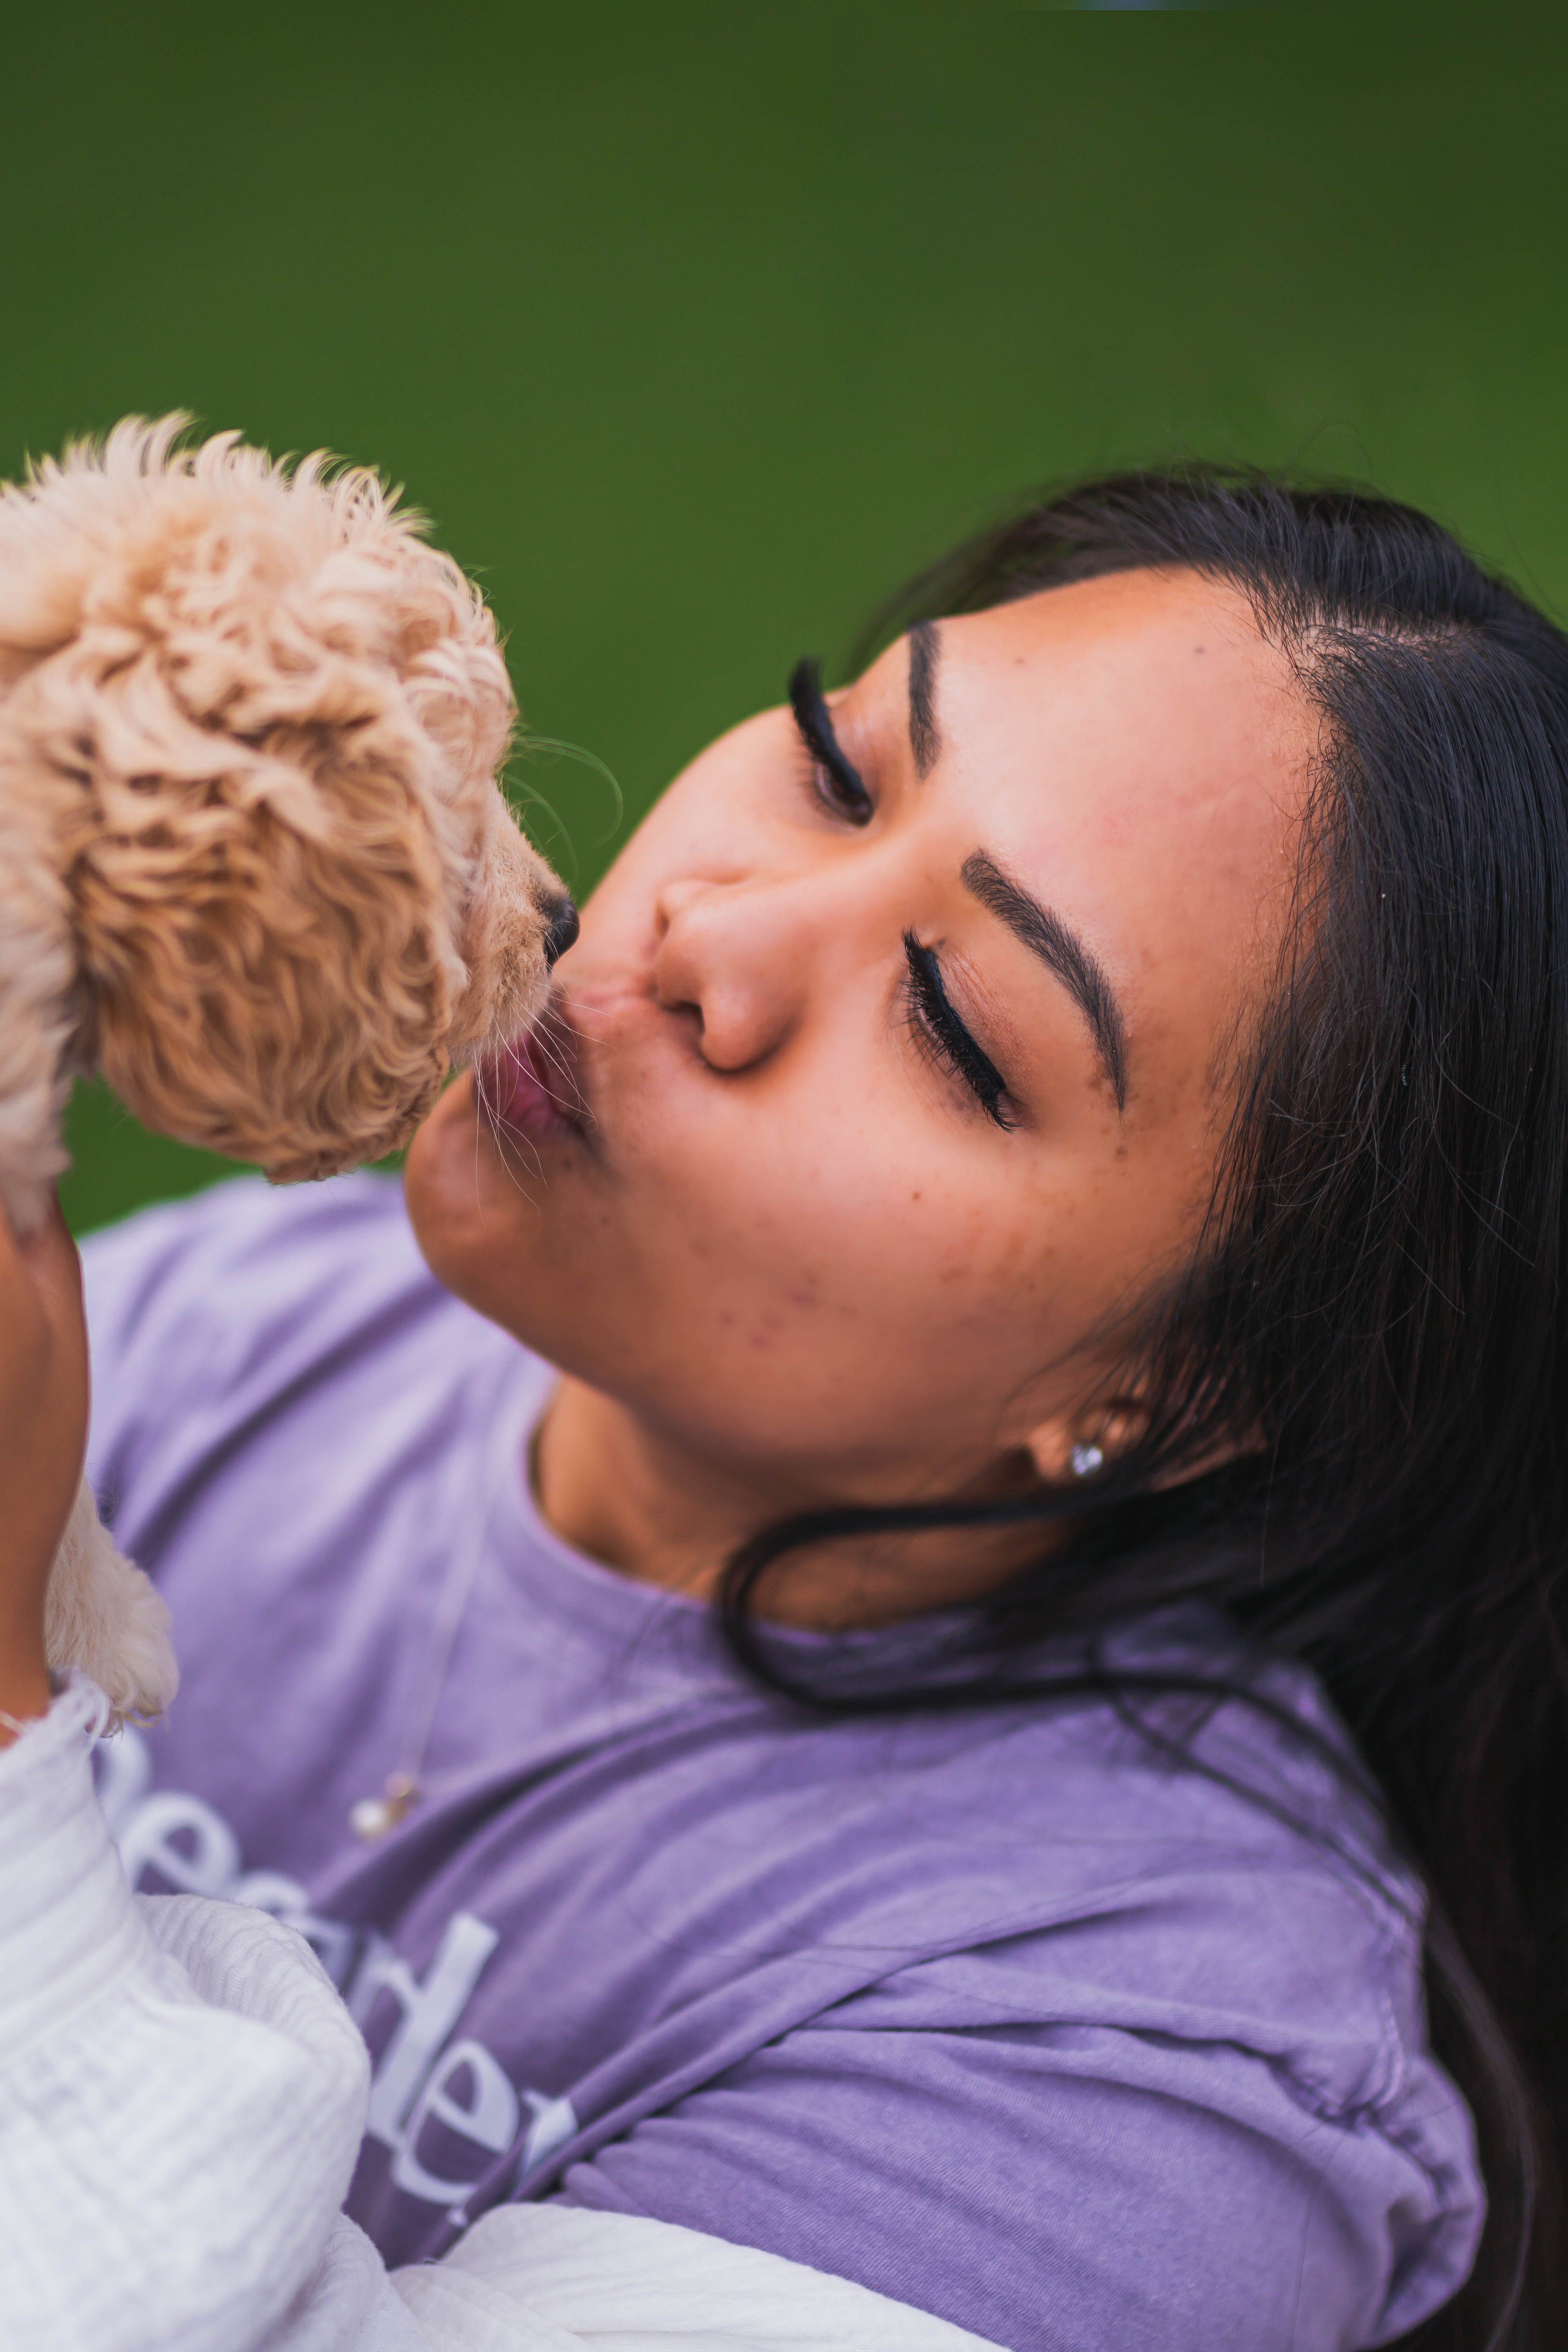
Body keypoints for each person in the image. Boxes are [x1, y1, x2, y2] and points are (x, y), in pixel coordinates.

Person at [4, 471, 1565, 2350]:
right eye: (838, 767)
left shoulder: (1145, 2073)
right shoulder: (289, 1317)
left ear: (1175, 1399)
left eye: (960, 1030)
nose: (703, 940)